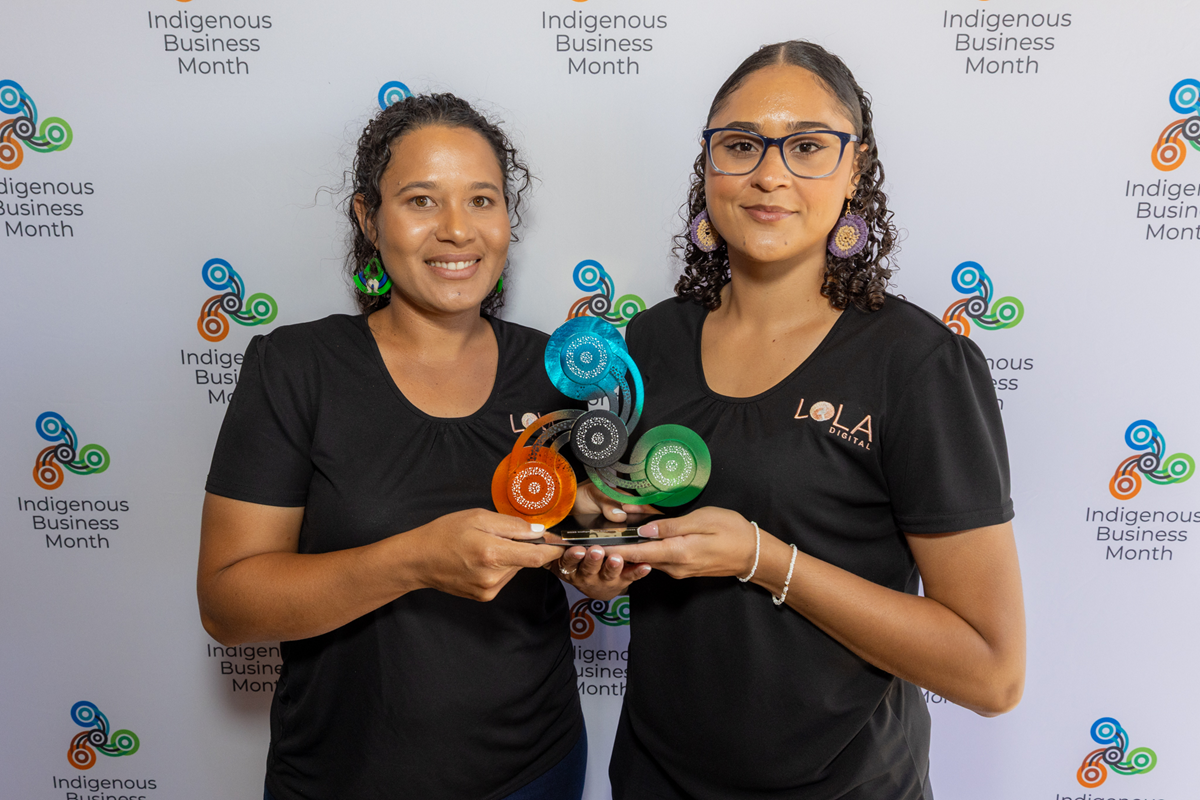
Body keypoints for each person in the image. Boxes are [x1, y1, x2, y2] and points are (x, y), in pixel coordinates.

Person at [570, 41, 1026, 799]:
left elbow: (991, 672)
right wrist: (599, 556)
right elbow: (621, 545)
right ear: (708, 166)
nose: (769, 173)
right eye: (741, 145)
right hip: (655, 779)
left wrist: (761, 557)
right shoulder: (646, 345)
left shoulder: (917, 364)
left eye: (808, 146)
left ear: (855, 169)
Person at [196, 93, 589, 800]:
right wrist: (413, 560)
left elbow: (576, 534)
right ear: (367, 218)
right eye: (420, 201)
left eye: (482, 200)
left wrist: (601, 561)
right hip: (342, 778)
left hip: (536, 771)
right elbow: (228, 605)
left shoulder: (558, 370)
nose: (457, 231)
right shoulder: (296, 368)